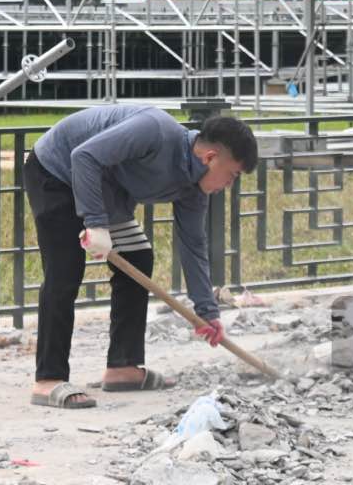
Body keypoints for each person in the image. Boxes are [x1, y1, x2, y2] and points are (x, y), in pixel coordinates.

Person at [25, 106, 258, 409]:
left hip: (104, 189)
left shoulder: (193, 190)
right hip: (56, 171)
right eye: (232, 175)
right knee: (65, 272)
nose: (228, 185)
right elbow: (84, 157)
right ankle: (49, 379)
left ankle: (123, 366)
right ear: (211, 158)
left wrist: (206, 311)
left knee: (137, 258)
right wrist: (95, 223)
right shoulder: (154, 130)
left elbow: (193, 245)